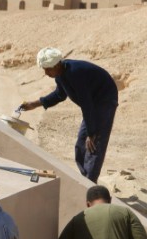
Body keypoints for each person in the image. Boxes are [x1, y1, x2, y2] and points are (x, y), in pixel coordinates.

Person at [19, 47, 118, 183]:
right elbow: (59, 95)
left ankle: (89, 184)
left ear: (57, 64)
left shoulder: (74, 73)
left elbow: (86, 103)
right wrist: (34, 104)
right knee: (81, 144)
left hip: (104, 102)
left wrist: (91, 132)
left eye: (48, 69)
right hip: (92, 105)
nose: (46, 73)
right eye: (44, 69)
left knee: (93, 143)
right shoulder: (61, 74)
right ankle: (84, 180)